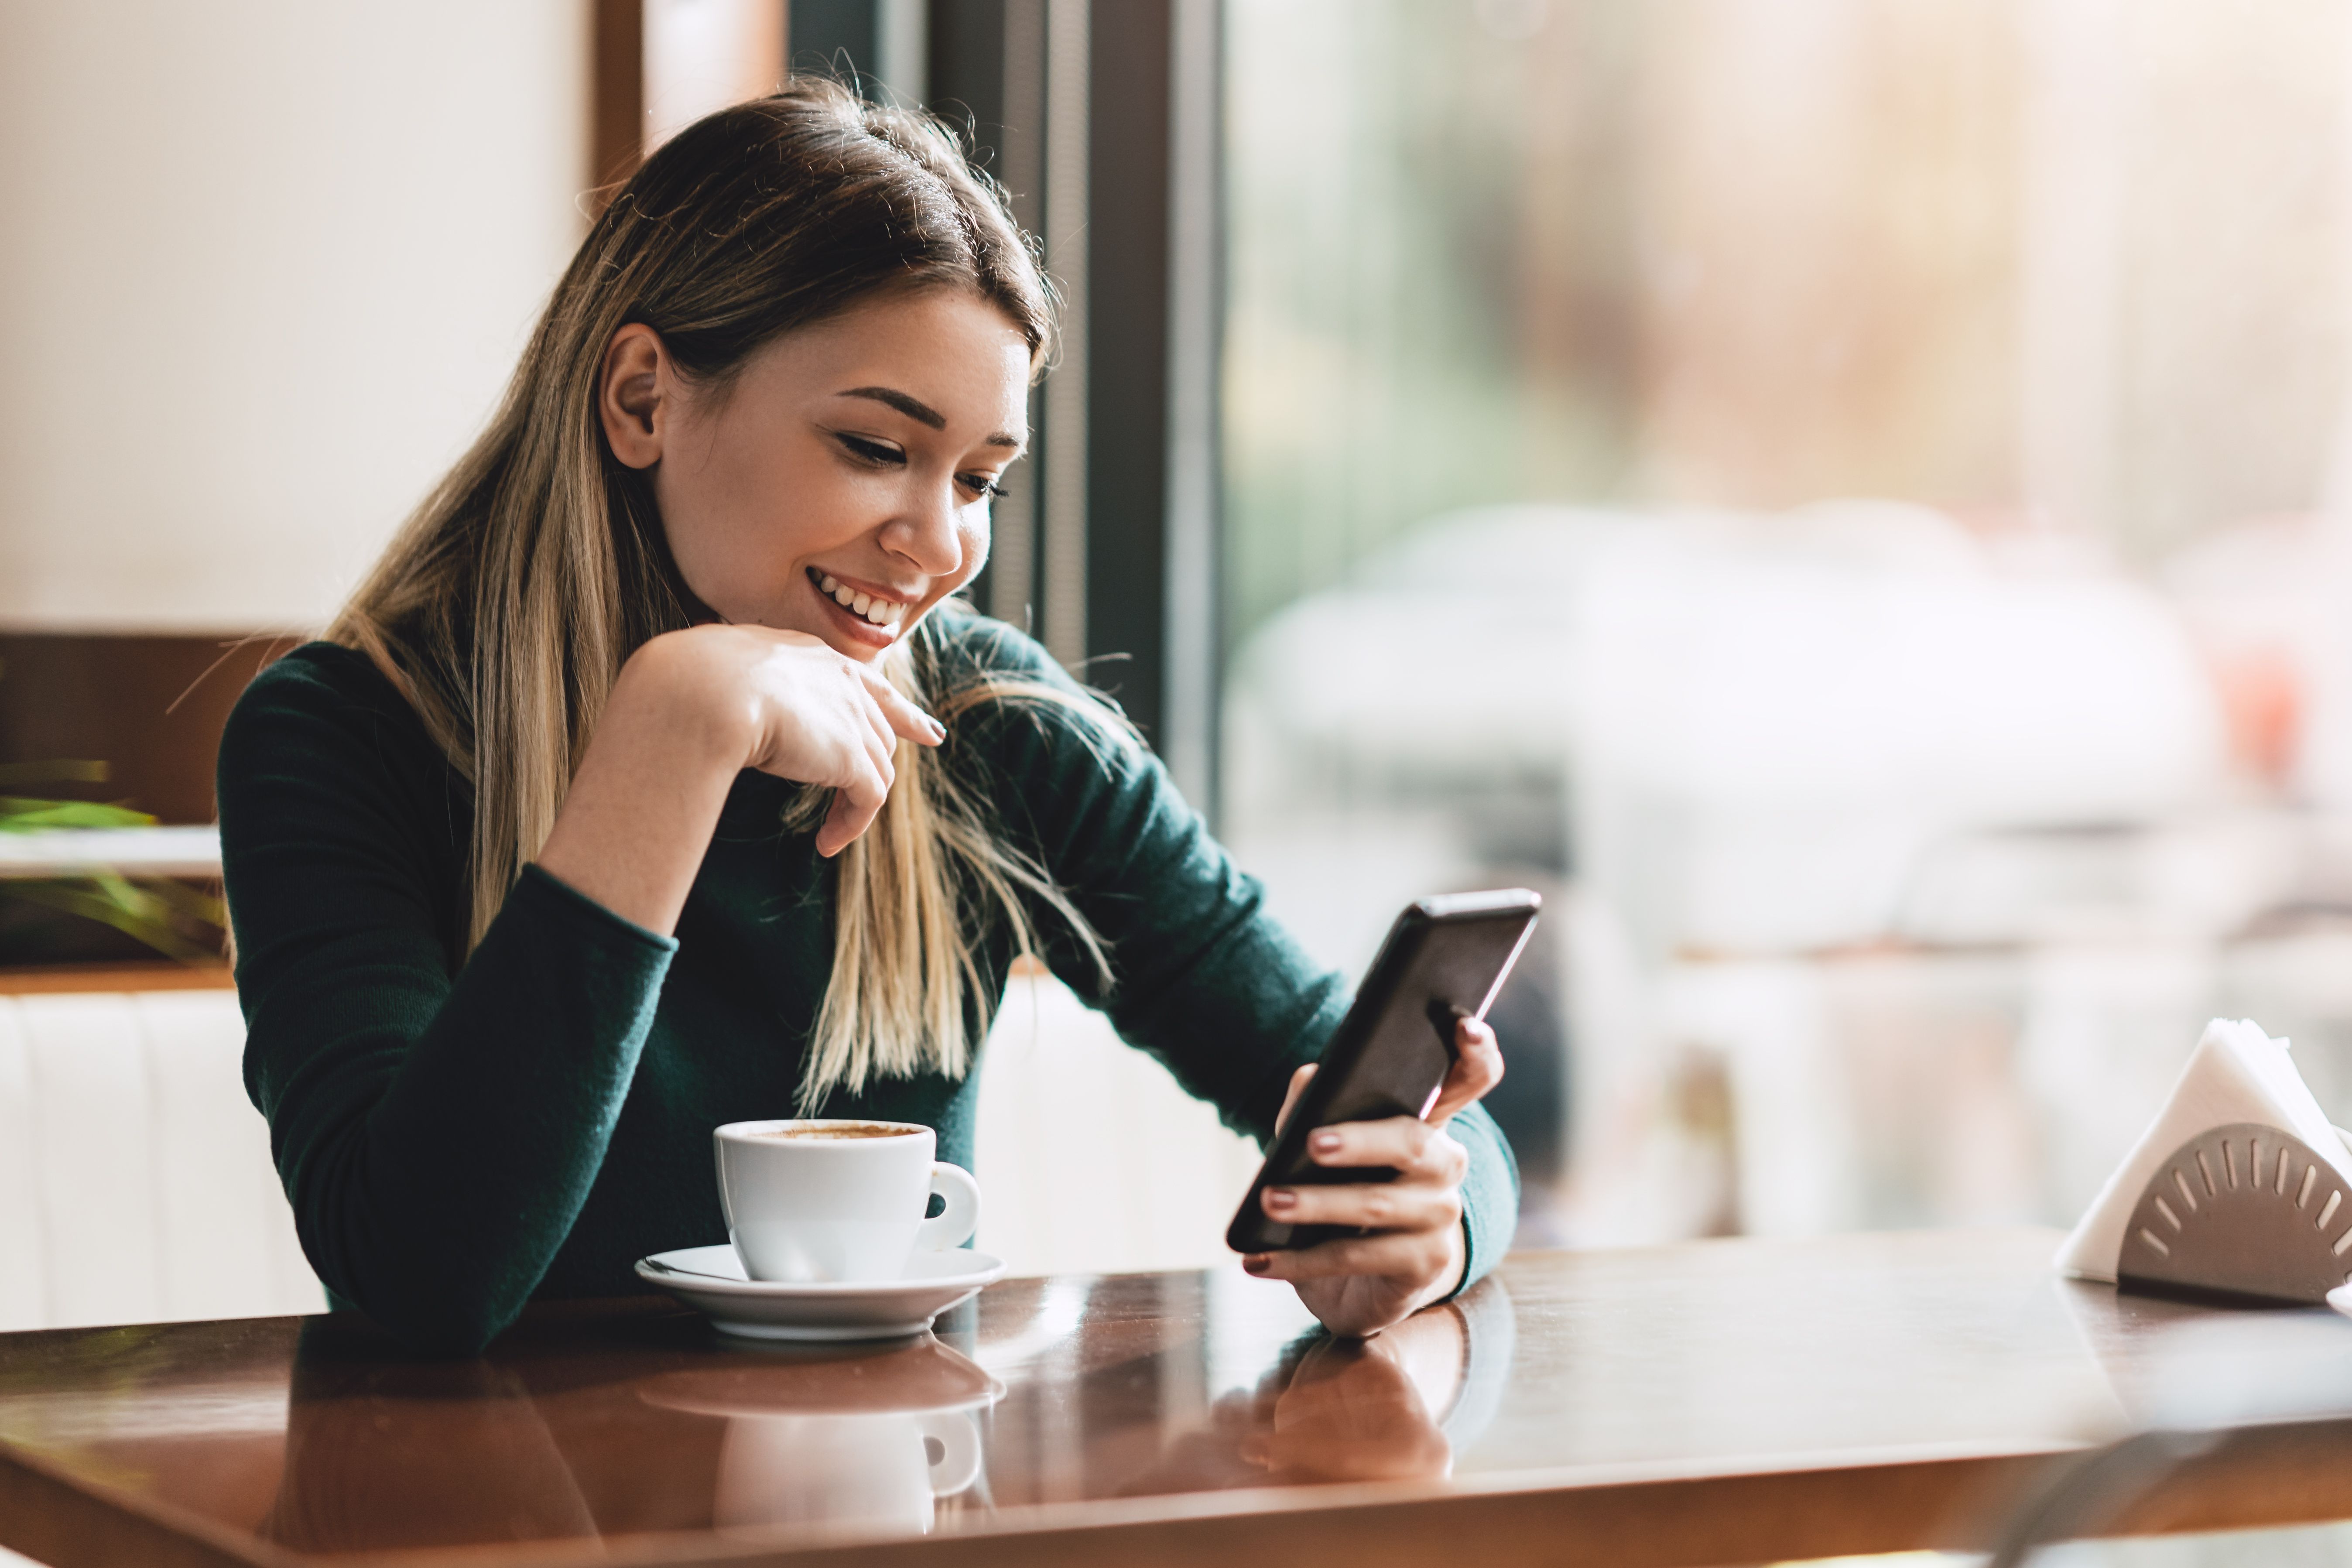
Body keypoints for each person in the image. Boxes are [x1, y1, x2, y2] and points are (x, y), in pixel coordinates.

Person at [217, 77, 1518, 1356]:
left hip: (897, 1477)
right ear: (642, 398)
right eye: (877, 448)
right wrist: (671, 736)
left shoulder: (993, 728)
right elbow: (421, 1278)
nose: (939, 545)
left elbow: (1403, 1104)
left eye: (980, 479)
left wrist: (1418, 1225)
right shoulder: (342, 737)